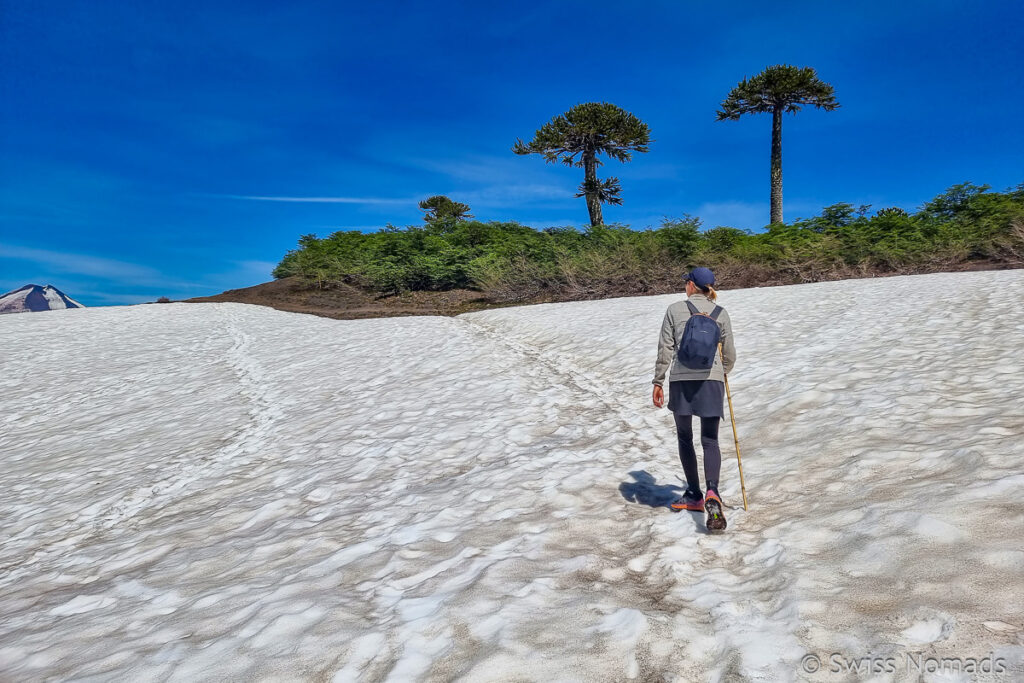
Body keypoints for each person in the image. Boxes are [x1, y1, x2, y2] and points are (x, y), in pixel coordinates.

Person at [652, 267, 736, 531]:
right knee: (710, 440)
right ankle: (713, 492)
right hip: (711, 381)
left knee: (685, 437)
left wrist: (658, 381)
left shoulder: (675, 310)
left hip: (681, 380)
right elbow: (730, 355)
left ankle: (694, 495)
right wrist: (720, 373)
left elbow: (665, 348)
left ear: (690, 285)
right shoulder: (720, 313)